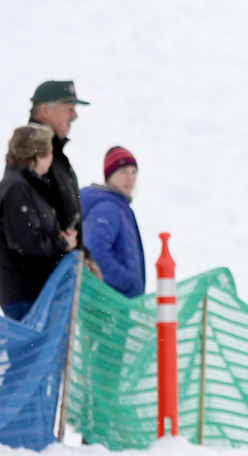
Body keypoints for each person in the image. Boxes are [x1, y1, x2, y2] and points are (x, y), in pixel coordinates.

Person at [0, 124, 77, 320]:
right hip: (25, 293)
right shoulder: (17, 189)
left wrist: (56, 238)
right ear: (37, 156)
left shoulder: (26, 186)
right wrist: (62, 243)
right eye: (50, 151)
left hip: (32, 292)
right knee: (34, 351)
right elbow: (25, 242)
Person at [79, 146, 145, 299]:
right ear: (109, 176)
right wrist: (128, 282)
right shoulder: (107, 208)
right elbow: (96, 254)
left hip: (117, 302)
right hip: (110, 303)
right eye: (123, 172)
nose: (130, 179)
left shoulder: (121, 207)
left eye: (134, 172)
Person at [26, 81, 87, 239]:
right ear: (45, 110)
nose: (75, 116)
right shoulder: (30, 154)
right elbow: (26, 230)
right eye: (69, 109)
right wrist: (61, 246)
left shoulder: (56, 155)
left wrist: (82, 254)